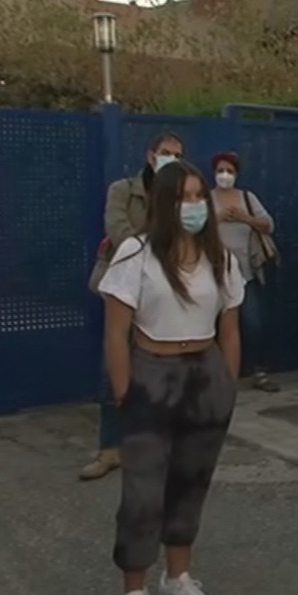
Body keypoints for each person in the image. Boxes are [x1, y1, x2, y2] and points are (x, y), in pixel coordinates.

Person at [96, 159, 245, 595]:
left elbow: (230, 327)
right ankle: (134, 594)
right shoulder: (135, 255)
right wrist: (125, 392)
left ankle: (177, 578)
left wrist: (228, 384)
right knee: (143, 493)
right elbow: (116, 333)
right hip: (151, 374)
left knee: (190, 482)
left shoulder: (219, 258)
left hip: (204, 374)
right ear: (163, 202)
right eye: (184, 197)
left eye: (199, 196)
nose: (194, 206)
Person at [80, 131, 185, 482]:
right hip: (126, 286)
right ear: (151, 155)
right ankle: (110, 448)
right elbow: (119, 232)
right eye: (166, 152)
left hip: (164, 290)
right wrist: (158, 246)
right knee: (114, 365)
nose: (171, 158)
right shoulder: (123, 190)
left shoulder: (183, 194)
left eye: (178, 154)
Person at [211, 151, 279, 393]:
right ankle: (219, 374)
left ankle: (259, 372)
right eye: (220, 171)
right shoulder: (207, 199)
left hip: (245, 273)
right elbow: (193, 227)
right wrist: (216, 217)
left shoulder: (247, 198)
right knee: (214, 325)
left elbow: (268, 225)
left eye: (229, 171)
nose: (225, 175)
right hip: (214, 274)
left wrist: (244, 217)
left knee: (254, 323)